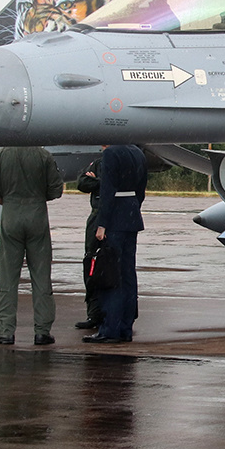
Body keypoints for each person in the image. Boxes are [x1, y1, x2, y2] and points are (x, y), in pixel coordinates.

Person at [0, 146, 63, 346]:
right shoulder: (44, 155)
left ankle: (6, 331)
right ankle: (42, 331)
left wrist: (7, 199)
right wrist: (36, 198)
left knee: (7, 275)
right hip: (37, 214)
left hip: (11, 214)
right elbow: (56, 189)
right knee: (41, 275)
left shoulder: (0, 155)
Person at [85, 143, 146, 344]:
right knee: (128, 275)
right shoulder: (137, 152)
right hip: (131, 214)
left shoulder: (111, 153)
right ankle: (125, 327)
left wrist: (102, 224)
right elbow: (141, 188)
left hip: (115, 218)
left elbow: (108, 189)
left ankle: (110, 328)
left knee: (110, 274)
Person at [74, 157, 104, 333]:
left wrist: (97, 181)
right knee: (91, 263)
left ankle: (111, 312)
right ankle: (93, 313)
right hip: (95, 217)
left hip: (108, 215)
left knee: (111, 265)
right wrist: (100, 182)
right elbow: (82, 182)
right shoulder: (99, 162)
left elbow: (115, 185)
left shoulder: (118, 159)